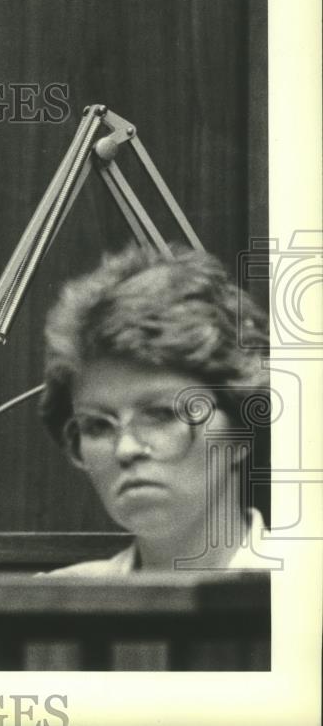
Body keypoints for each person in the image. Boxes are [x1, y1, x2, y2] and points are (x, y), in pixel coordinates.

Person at [39, 244, 271, 574]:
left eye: (162, 414)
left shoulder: (305, 591)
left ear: (240, 432)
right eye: (97, 426)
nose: (126, 449)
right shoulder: (50, 611)